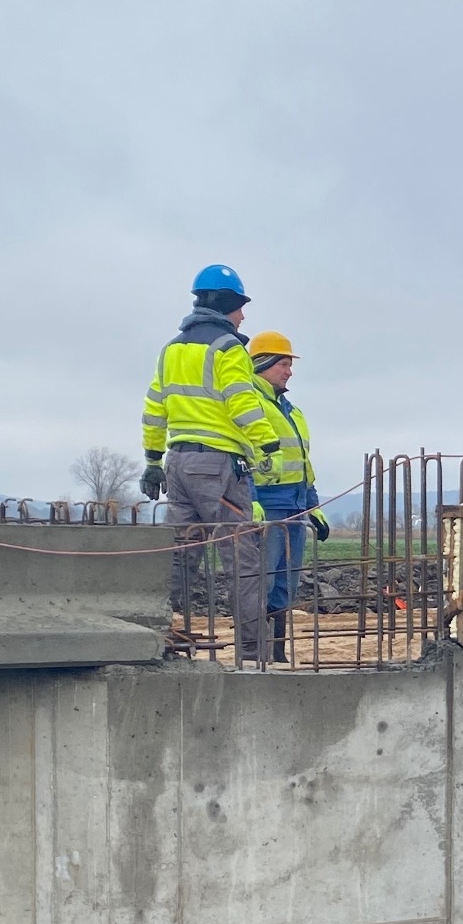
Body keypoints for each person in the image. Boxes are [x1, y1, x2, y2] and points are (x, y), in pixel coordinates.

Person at [141, 265, 277, 662]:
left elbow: (154, 407)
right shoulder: (227, 348)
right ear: (226, 303)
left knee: (179, 558)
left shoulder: (172, 349)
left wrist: (152, 459)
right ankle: (252, 652)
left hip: (177, 464)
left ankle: (156, 640)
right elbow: (241, 399)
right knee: (242, 559)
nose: (243, 316)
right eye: (240, 307)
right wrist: (266, 443)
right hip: (218, 467)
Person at [245, 332, 329, 663]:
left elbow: (303, 464)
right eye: (283, 364)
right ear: (262, 363)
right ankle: (254, 654)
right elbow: (243, 458)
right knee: (261, 583)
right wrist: (251, 500)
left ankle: (277, 654)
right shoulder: (249, 405)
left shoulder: (291, 412)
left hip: (294, 509)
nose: (289, 371)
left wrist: (313, 507)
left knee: (285, 586)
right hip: (267, 507)